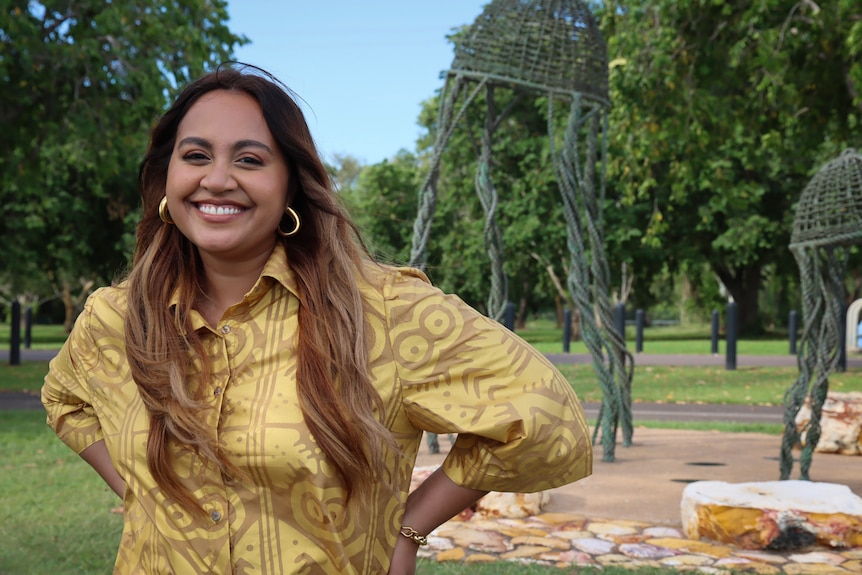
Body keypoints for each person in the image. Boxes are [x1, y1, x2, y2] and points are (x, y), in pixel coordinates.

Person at [41, 64, 593, 575]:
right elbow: (66, 401)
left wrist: (409, 530)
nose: (217, 179)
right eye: (196, 155)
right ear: (167, 178)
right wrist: (145, 493)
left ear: (291, 186)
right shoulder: (116, 317)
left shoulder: (382, 314)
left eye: (250, 159)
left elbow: (545, 418)